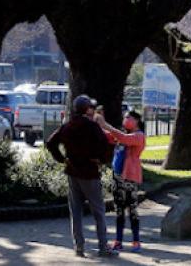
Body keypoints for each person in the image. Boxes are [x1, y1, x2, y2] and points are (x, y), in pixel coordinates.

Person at [45, 95, 118, 258]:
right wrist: (102, 159)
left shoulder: (67, 126)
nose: (93, 110)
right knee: (98, 211)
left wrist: (63, 159)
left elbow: (50, 143)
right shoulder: (92, 127)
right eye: (91, 107)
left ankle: (79, 247)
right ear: (87, 109)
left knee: (76, 212)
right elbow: (104, 147)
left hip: (72, 172)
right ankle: (103, 247)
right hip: (90, 172)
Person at [100, 111, 146, 252]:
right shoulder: (123, 135)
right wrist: (97, 124)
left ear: (137, 120)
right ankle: (118, 241)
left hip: (130, 177)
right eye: (125, 117)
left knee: (132, 209)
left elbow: (123, 138)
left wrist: (105, 124)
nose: (125, 120)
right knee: (119, 210)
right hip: (118, 176)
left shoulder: (138, 136)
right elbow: (110, 136)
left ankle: (136, 241)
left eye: (129, 117)